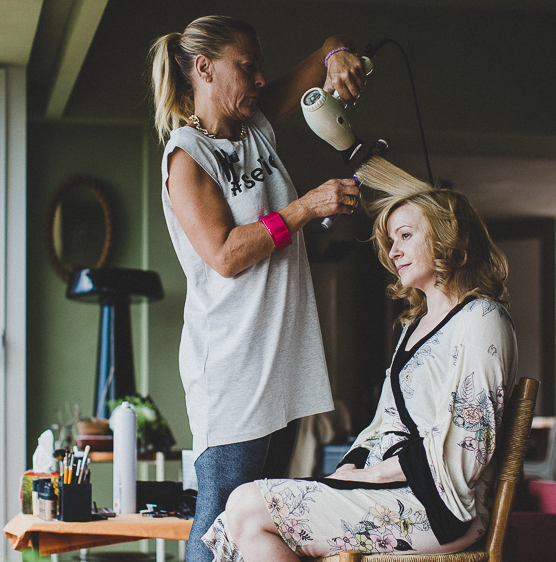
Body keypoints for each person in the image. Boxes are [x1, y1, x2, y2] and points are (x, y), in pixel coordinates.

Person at [201, 161, 518, 561]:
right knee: (241, 513)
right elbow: (383, 423)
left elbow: (469, 446)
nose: (394, 250)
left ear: (445, 236)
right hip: (388, 491)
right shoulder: (414, 326)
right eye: (391, 241)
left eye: (405, 235)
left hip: (438, 508)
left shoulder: (481, 319)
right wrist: (347, 471)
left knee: (247, 506)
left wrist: (372, 474)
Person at [149, 15, 367, 562]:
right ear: (204, 68)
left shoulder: (257, 129)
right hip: (232, 370)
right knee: (221, 519)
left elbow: (323, 46)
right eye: (246, 67)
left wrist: (338, 53)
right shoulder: (186, 158)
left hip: (280, 365)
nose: (260, 78)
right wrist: (303, 209)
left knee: (261, 524)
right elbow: (224, 254)